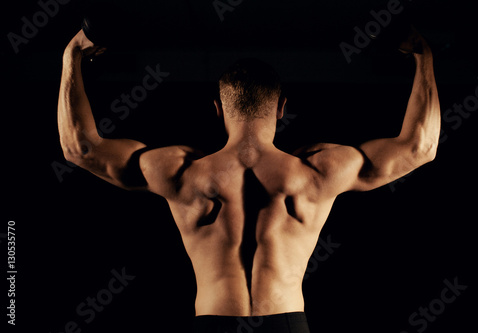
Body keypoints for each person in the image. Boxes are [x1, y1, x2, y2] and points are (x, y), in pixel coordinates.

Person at [58, 27, 440, 333]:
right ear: (281, 109)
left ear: (217, 109)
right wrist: (424, 55)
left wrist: (71, 55)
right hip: (287, 322)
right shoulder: (318, 171)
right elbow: (420, 147)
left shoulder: (181, 171)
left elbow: (80, 149)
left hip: (212, 320)